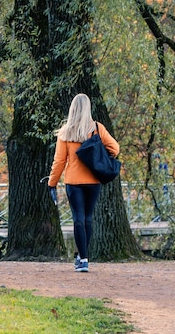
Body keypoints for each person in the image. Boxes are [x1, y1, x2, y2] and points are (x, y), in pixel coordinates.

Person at [48, 93, 120, 272]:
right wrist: (100, 155)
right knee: (88, 218)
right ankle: (83, 257)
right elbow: (115, 149)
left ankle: (84, 260)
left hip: (73, 182)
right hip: (93, 181)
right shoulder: (96, 128)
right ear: (88, 108)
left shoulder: (66, 132)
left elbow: (59, 161)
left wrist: (52, 183)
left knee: (78, 219)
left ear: (72, 108)